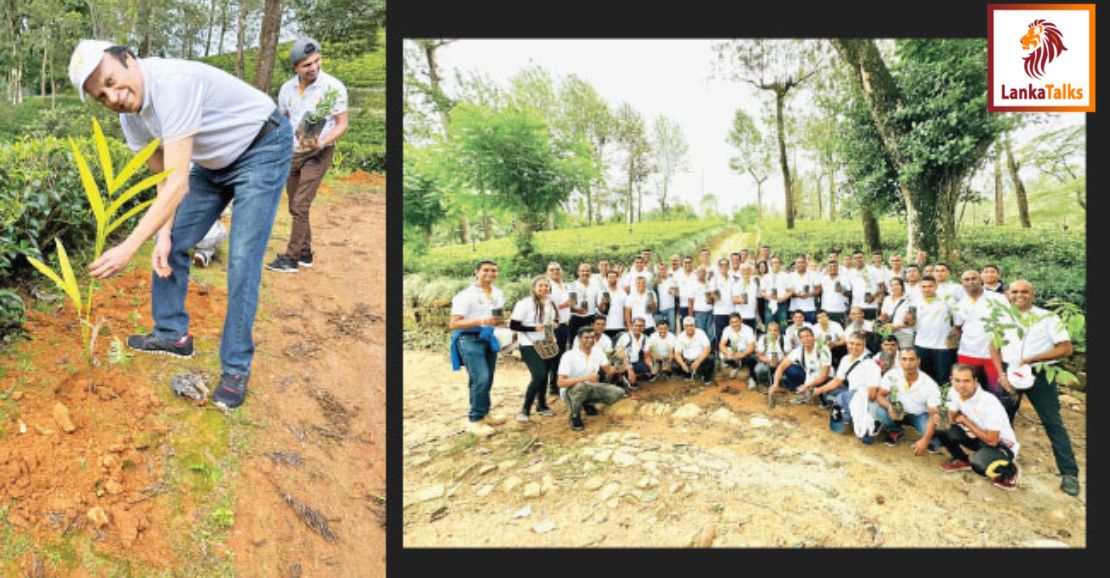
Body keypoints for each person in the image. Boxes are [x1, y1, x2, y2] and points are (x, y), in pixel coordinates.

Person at [70, 39, 294, 410]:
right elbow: (165, 179)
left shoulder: (173, 83)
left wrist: (128, 247)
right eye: (102, 96)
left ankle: (236, 367)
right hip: (211, 164)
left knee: (242, 260)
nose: (113, 97)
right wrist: (162, 235)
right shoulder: (131, 120)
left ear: (127, 58)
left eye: (111, 81)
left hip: (261, 147)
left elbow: (178, 185)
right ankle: (172, 334)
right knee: (171, 242)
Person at [989, 280, 1080, 496]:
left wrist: (1033, 359)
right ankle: (1000, 463)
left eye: (1024, 291)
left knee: (1052, 422)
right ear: (1008, 294)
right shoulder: (1002, 316)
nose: (1019, 295)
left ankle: (1069, 473)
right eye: (1015, 291)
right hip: (1010, 374)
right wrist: (1001, 374)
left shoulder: (1048, 317)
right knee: (1003, 419)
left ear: (1033, 294)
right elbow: (994, 345)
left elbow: (1065, 348)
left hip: (1039, 374)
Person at [266, 38, 348, 273]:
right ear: (296, 68)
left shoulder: (333, 87)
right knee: (295, 205)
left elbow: (342, 124)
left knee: (300, 205)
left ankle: (291, 258)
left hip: (318, 153)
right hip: (293, 152)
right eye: (307, 65)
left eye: (316, 61)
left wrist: (320, 141)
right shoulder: (286, 89)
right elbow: (282, 121)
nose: (314, 68)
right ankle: (305, 253)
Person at [936, 365, 1022, 491]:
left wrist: (965, 421)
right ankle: (962, 460)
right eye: (957, 380)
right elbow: (948, 418)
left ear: (975, 381)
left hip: (1001, 444)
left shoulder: (989, 402)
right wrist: (943, 416)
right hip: (979, 436)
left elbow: (992, 441)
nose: (961, 385)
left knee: (979, 463)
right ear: (951, 380)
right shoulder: (954, 392)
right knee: (941, 428)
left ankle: (1010, 470)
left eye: (966, 381)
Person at [449, 260, 508, 435]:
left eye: (494, 270)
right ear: (476, 272)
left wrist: (503, 324)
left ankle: (485, 414)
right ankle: (474, 420)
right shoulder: (465, 295)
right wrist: (481, 321)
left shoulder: (498, 293)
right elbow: (454, 324)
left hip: (489, 337)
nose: (490, 273)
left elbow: (497, 317)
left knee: (487, 378)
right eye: (486, 270)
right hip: (469, 339)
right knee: (480, 378)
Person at [807, 333, 882, 444]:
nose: (854, 347)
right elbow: (837, 380)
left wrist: (849, 398)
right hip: (850, 393)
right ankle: (847, 414)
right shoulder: (846, 359)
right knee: (827, 393)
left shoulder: (871, 365)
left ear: (864, 346)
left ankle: (857, 422)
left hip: (864, 399)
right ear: (847, 344)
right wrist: (818, 391)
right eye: (851, 343)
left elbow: (871, 395)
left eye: (858, 344)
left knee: (844, 398)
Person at [509, 276, 560, 422]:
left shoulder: (551, 303)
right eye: (540, 286)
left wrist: (555, 324)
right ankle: (525, 409)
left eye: (546, 286)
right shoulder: (524, 303)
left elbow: (555, 320)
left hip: (548, 343)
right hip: (529, 344)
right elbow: (513, 325)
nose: (544, 288)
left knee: (544, 375)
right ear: (534, 287)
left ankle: (542, 405)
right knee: (539, 375)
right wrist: (533, 328)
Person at [872, 348, 942, 452]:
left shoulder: (930, 384)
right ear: (899, 361)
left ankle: (931, 439)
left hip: (919, 414)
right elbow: (880, 396)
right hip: (898, 411)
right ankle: (895, 430)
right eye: (904, 359)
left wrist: (925, 440)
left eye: (911, 359)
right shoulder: (892, 374)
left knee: (934, 438)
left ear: (918, 361)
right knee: (880, 412)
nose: (908, 363)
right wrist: (890, 407)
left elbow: (934, 414)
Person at [557, 326, 626, 432]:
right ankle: (575, 415)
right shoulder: (569, 355)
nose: (590, 340)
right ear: (579, 339)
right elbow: (561, 382)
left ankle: (586, 403)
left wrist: (620, 360)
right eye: (586, 337)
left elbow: (609, 370)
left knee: (619, 392)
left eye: (592, 337)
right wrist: (586, 378)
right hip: (570, 392)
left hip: (590, 387)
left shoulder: (597, 352)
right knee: (581, 386)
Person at [953, 270, 1008, 392]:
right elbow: (957, 327)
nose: (971, 282)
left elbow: (1008, 323)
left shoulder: (998, 298)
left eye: (974, 278)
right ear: (962, 283)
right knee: (969, 388)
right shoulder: (959, 304)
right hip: (967, 352)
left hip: (992, 353)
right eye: (966, 279)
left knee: (996, 389)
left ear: (981, 280)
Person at [768, 327, 831, 408]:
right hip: (809, 377)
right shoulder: (798, 350)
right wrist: (775, 384)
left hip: (825, 379)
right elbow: (781, 366)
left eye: (808, 336)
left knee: (826, 397)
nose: (806, 339)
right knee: (789, 368)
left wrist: (806, 386)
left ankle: (819, 396)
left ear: (813, 337)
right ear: (800, 340)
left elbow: (825, 375)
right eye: (802, 337)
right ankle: (804, 391)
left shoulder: (823, 349)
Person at [912, 276, 958, 386]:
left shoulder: (947, 300)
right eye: (923, 287)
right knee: (925, 378)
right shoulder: (914, 302)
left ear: (936, 286)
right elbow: (910, 321)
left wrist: (954, 334)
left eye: (930, 286)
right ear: (920, 287)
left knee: (943, 378)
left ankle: (944, 396)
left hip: (943, 346)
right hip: (922, 344)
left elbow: (958, 318)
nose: (927, 289)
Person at [545, 262, 574, 396]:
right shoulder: (547, 286)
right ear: (547, 272)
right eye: (552, 270)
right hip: (553, 326)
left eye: (557, 269)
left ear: (561, 271)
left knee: (561, 355)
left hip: (564, 325)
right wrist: (564, 305)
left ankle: (557, 383)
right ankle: (551, 386)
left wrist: (573, 306)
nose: (555, 272)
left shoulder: (565, 286)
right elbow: (547, 306)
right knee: (553, 355)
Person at [614, 317, 653, 390]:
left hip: (635, 362)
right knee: (632, 382)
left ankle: (630, 376)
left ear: (644, 327)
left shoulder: (645, 338)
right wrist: (629, 369)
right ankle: (621, 378)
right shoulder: (625, 337)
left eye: (641, 326)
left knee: (649, 370)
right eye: (636, 325)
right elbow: (619, 354)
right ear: (632, 326)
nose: (638, 328)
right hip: (622, 361)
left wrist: (651, 368)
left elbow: (647, 356)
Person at [674, 316, 714, 385]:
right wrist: (682, 364)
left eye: (691, 325)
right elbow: (677, 353)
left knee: (710, 358)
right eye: (687, 326)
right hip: (687, 361)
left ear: (695, 325)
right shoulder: (680, 336)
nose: (689, 328)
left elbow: (707, 348)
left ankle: (705, 377)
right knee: (675, 365)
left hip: (700, 360)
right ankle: (688, 374)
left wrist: (698, 361)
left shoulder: (701, 333)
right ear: (684, 327)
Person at [879, 277, 915, 351]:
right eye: (892, 285)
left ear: (902, 286)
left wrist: (895, 326)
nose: (894, 287)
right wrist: (878, 322)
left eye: (897, 284)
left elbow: (912, 322)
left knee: (905, 354)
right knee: (888, 354)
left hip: (905, 333)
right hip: (888, 332)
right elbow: (884, 315)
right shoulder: (887, 299)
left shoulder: (910, 299)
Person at [718, 313, 756, 382]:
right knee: (722, 354)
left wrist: (743, 354)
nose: (735, 324)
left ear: (741, 321)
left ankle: (752, 377)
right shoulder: (727, 329)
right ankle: (735, 366)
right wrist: (728, 353)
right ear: (729, 322)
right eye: (732, 322)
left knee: (752, 357)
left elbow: (752, 345)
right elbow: (721, 344)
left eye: (737, 321)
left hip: (746, 350)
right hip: (734, 350)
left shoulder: (748, 329)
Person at [568, 263, 599, 345]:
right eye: (582, 271)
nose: (585, 273)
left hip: (591, 318)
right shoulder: (572, 286)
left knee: (591, 343)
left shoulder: (595, 286)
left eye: (587, 271)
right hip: (576, 319)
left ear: (591, 273)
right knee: (574, 343)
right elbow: (568, 305)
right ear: (578, 272)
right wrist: (576, 310)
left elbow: (597, 304)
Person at [711, 259, 735, 354]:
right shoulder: (715, 279)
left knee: (730, 334)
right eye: (721, 265)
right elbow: (712, 294)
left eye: (726, 265)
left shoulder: (733, 279)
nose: (724, 267)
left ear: (728, 267)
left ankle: (730, 355)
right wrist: (715, 296)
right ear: (719, 267)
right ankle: (720, 355)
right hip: (719, 311)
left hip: (731, 311)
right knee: (720, 334)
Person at [753, 321, 786, 390]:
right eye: (770, 330)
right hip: (767, 363)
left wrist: (778, 361)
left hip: (781, 363)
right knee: (760, 369)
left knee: (785, 378)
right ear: (767, 331)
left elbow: (788, 354)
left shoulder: (784, 338)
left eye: (775, 330)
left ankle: (778, 383)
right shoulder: (763, 338)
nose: (772, 332)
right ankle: (764, 383)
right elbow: (759, 354)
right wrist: (769, 361)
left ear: (779, 331)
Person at [689, 267, 716, 351]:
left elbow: (714, 298)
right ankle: (701, 351)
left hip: (710, 312)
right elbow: (690, 301)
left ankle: (710, 351)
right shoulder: (693, 285)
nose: (702, 273)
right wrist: (691, 316)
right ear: (697, 273)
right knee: (700, 333)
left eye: (704, 272)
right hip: (699, 313)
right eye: (700, 272)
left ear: (706, 273)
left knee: (711, 333)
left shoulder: (710, 284)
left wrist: (712, 298)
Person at [849, 251, 880, 321]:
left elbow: (882, 287)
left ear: (864, 258)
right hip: (856, 307)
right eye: (855, 258)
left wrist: (873, 297)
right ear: (852, 260)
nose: (858, 260)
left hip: (871, 306)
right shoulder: (850, 272)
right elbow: (850, 289)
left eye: (860, 257)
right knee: (857, 327)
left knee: (871, 327)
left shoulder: (873, 270)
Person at [818, 259, 850, 326]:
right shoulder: (822, 278)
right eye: (830, 266)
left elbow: (850, 294)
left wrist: (842, 290)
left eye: (835, 266)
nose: (832, 268)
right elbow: (818, 292)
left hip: (841, 310)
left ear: (838, 267)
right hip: (826, 310)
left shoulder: (845, 278)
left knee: (841, 329)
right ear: (827, 268)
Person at [761, 256, 791, 327]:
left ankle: (784, 334)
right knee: (769, 323)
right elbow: (762, 291)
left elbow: (790, 291)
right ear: (771, 264)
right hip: (769, 304)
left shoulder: (786, 276)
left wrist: (783, 298)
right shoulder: (766, 277)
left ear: (780, 264)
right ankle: (769, 334)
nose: (776, 264)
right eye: (774, 262)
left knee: (783, 323)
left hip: (782, 303)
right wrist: (768, 297)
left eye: (777, 262)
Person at [788, 257, 819, 323]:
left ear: (806, 264)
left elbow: (818, 289)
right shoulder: (790, 276)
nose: (800, 264)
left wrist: (808, 294)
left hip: (810, 309)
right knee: (795, 328)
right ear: (795, 264)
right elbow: (788, 290)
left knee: (810, 328)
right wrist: (798, 294)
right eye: (798, 262)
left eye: (802, 262)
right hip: (794, 309)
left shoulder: (813, 275)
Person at [600, 270, 626, 343]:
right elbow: (601, 310)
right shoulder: (602, 291)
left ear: (617, 278)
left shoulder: (623, 292)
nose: (612, 279)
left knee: (619, 348)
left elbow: (625, 310)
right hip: (605, 327)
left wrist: (626, 324)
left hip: (620, 326)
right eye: (610, 277)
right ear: (606, 279)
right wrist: (602, 302)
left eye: (614, 277)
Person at [733, 263, 760, 332]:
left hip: (752, 316)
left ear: (751, 272)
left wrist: (756, 314)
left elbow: (755, 300)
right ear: (741, 272)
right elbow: (734, 299)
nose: (746, 272)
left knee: (751, 335)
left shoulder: (754, 284)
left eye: (748, 270)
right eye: (744, 270)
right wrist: (740, 300)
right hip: (741, 316)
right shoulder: (737, 284)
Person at [655, 263, 677, 331]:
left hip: (670, 308)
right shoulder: (656, 281)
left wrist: (673, 292)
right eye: (660, 269)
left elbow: (675, 294)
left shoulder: (672, 280)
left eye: (664, 269)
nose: (662, 271)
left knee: (672, 329)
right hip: (659, 310)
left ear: (667, 269)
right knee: (660, 330)